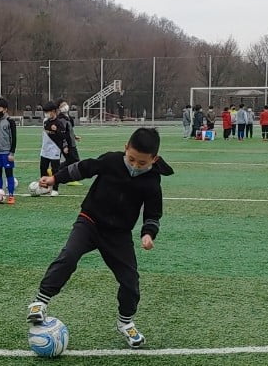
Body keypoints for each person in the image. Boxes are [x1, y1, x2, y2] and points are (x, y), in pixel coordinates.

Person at [26, 128, 174, 348]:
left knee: (130, 281)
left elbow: (153, 213)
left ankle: (125, 322)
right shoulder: (111, 160)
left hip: (119, 235)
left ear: (154, 159)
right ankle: (40, 301)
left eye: (142, 163)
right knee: (68, 256)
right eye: (131, 159)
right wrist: (55, 177)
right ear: (125, 148)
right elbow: (83, 168)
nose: (134, 165)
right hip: (90, 222)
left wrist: (148, 234)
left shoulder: (152, 181)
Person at [0, 98, 18, 204]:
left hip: (6, 153)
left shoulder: (10, 122)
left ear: (5, 109)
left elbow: (13, 138)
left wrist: (12, 153)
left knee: (9, 174)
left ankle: (11, 195)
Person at [40, 101, 69, 196]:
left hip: (55, 150)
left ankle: (55, 189)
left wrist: (57, 131)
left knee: (55, 170)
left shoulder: (59, 123)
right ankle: (45, 187)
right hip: (44, 150)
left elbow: (63, 135)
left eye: (48, 112)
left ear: (53, 111)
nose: (46, 114)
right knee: (43, 168)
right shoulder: (45, 121)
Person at [57, 98, 82, 186]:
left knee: (70, 161)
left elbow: (69, 130)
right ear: (59, 108)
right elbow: (62, 133)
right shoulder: (61, 119)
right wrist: (65, 145)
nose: (65, 107)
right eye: (62, 106)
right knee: (75, 160)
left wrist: (75, 137)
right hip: (68, 144)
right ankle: (71, 178)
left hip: (71, 142)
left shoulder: (68, 118)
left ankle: (56, 171)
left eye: (65, 104)